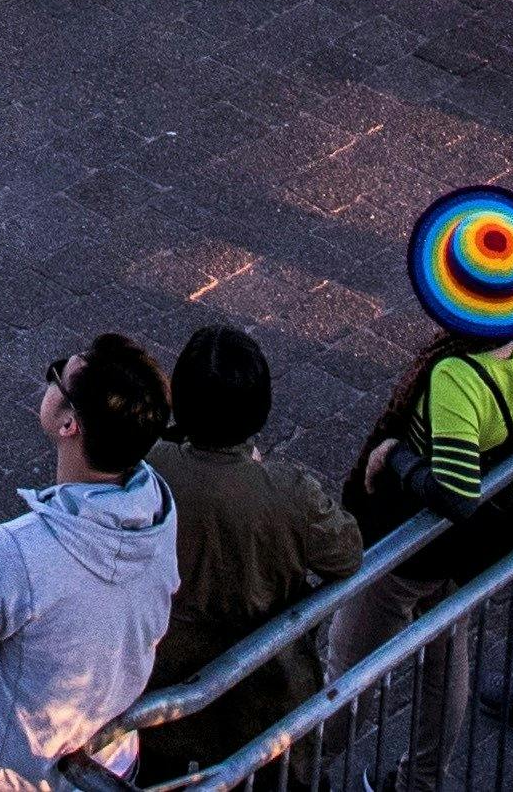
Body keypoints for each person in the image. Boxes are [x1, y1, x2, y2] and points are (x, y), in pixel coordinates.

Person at [0, 333, 182, 792]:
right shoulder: (158, 510)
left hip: (14, 778)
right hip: (110, 765)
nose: (49, 379)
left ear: (69, 423)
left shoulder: (16, 555)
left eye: (58, 375)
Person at [134, 322, 359, 781]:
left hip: (162, 688)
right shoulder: (290, 493)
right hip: (265, 694)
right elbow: (346, 552)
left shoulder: (150, 470)